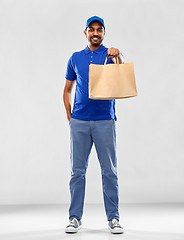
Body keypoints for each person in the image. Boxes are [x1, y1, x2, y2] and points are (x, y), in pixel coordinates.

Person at [63, 16, 124, 234]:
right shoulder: (75, 57)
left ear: (104, 33)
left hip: (105, 120)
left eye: (100, 30)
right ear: (86, 33)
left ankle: (114, 218)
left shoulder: (110, 54)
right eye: (92, 30)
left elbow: (120, 80)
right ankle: (74, 218)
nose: (95, 33)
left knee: (109, 171)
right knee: (77, 172)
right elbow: (67, 90)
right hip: (79, 122)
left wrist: (117, 57)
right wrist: (71, 119)